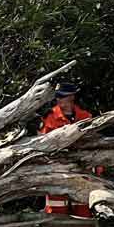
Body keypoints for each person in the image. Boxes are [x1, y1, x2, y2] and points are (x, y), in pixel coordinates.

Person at [39, 82, 94, 218]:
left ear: (71, 97)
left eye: (61, 96)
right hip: (57, 170)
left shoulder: (86, 117)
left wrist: (97, 168)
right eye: (57, 96)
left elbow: (94, 144)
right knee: (56, 210)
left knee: (83, 209)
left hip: (83, 169)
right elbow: (41, 146)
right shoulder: (48, 118)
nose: (58, 99)